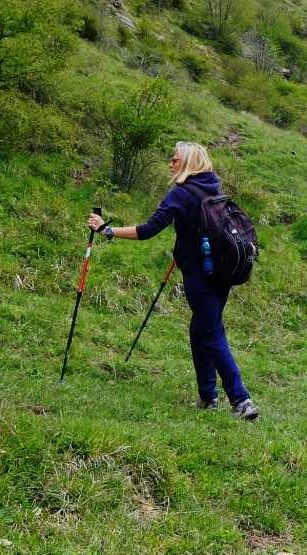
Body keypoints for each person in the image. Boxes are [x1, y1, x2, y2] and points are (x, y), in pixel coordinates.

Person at [87, 141, 259, 420]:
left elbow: (147, 230)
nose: (170, 163)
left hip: (199, 278)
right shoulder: (213, 188)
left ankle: (241, 400)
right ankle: (207, 396)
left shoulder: (180, 194)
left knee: (212, 334)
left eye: (175, 159)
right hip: (223, 274)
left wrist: (108, 230)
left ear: (189, 163)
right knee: (200, 330)